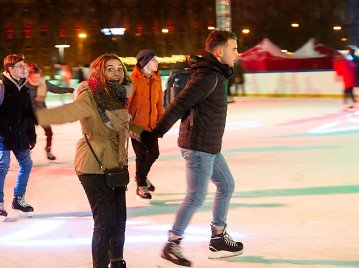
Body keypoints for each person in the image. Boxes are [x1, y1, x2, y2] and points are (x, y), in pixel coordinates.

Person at [140, 30, 244, 266]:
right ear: (219, 52)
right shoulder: (208, 76)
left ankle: (218, 238)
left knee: (226, 185)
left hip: (209, 145)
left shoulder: (216, 74)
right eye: (234, 48)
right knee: (196, 196)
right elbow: (180, 104)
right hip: (198, 146)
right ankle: (172, 244)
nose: (237, 54)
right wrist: (156, 133)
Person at [36, 54, 144, 268]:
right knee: (105, 223)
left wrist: (142, 131)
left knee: (119, 221)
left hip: (115, 164)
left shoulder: (119, 97)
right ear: (99, 72)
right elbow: (70, 112)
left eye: (119, 69)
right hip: (93, 165)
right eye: (110, 69)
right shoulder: (90, 94)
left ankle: (117, 262)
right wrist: (36, 117)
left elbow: (121, 124)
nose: (116, 73)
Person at [0, 54, 37, 219]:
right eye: (20, 66)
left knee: (27, 165)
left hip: (20, 136)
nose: (24, 69)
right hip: (3, 137)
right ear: (10, 69)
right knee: (2, 168)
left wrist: (31, 134)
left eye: (24, 65)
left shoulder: (25, 88)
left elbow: (28, 114)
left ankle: (18, 199)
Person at [128, 50, 163, 201]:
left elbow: (159, 103)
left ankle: (141, 177)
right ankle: (141, 185)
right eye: (154, 60)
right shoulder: (133, 80)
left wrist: (161, 122)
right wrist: (127, 125)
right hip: (136, 125)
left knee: (154, 153)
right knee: (141, 155)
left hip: (151, 125)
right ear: (145, 62)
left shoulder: (157, 79)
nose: (157, 62)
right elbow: (125, 104)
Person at [26, 63, 74, 160]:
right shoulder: (24, 85)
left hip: (42, 112)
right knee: (29, 135)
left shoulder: (44, 83)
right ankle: (27, 150)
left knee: (49, 133)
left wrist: (70, 90)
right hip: (29, 113)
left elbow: (56, 89)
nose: (37, 80)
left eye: (38, 77)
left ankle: (48, 151)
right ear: (30, 76)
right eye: (34, 77)